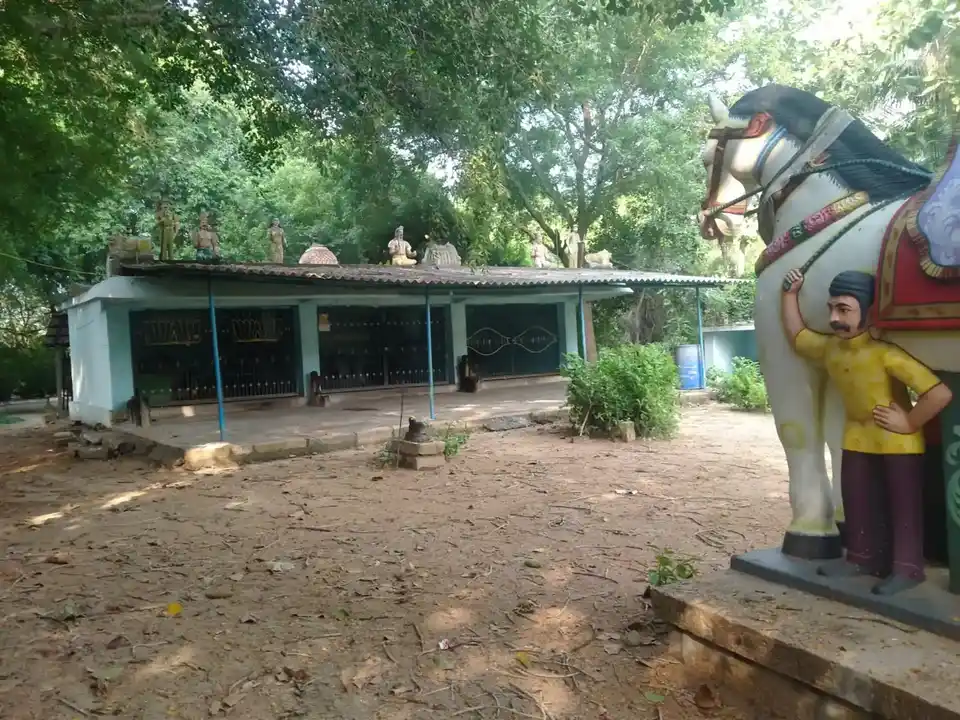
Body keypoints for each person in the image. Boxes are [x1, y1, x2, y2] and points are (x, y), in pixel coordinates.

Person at [782, 268, 952, 595]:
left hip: (896, 441)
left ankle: (907, 567)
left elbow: (939, 393)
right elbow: (798, 336)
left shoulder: (886, 355)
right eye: (832, 308)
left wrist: (910, 422)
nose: (834, 318)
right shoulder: (831, 348)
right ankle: (862, 558)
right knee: (858, 501)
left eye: (844, 310)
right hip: (857, 436)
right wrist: (789, 295)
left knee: (903, 507)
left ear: (868, 313)